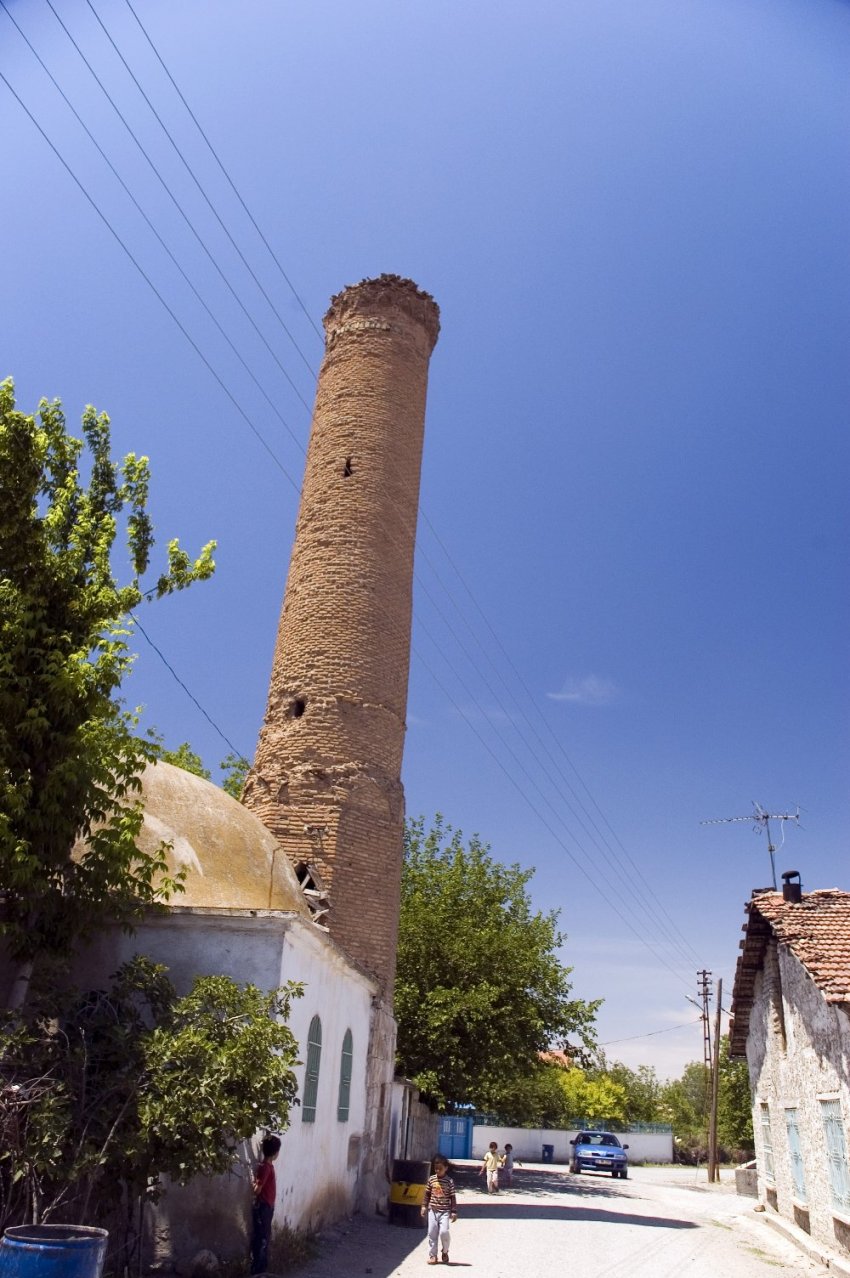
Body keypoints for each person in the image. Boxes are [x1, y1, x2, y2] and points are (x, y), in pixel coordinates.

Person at [250, 1133, 281, 1275]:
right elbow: (257, 1190)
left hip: (266, 1207)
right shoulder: (266, 1168)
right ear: (275, 1153)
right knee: (263, 1239)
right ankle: (259, 1270)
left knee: (264, 1237)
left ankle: (261, 1269)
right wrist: (254, 1185)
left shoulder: (266, 1166)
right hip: (263, 1208)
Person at [420, 1155, 457, 1265]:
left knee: (444, 1232)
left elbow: (452, 1197)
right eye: (436, 1168)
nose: (438, 1171)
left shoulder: (449, 1181)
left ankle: (445, 1251)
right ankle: (433, 1256)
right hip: (433, 1211)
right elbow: (427, 1194)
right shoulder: (431, 1179)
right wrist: (424, 1206)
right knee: (432, 1233)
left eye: (440, 1168)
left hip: (444, 1212)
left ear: (446, 1168)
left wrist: (454, 1211)